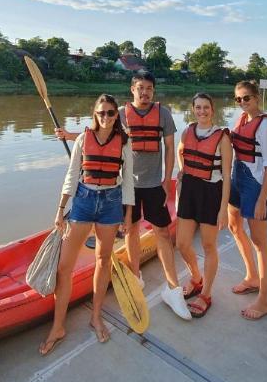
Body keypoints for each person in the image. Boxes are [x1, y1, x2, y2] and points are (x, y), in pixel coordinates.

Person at [56, 70, 191, 320]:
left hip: (153, 184)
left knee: (162, 231)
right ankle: (135, 276)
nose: (145, 92)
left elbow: (170, 147)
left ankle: (173, 289)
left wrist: (166, 180)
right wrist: (69, 136)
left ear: (153, 91)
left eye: (149, 88)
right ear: (132, 89)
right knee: (131, 228)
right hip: (125, 186)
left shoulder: (163, 114)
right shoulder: (118, 113)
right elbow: (99, 133)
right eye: (140, 87)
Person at [38, 94, 134, 356]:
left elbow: (127, 182)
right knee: (64, 267)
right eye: (101, 113)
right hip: (83, 201)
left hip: (111, 203)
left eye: (111, 113)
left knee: (103, 260)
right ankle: (58, 326)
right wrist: (60, 210)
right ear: (95, 114)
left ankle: (96, 316)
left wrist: (127, 216)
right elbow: (71, 175)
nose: (106, 118)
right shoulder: (82, 138)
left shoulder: (124, 141)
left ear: (117, 115)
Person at [227, 80, 267, 321]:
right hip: (237, 175)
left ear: (257, 98)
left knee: (259, 240)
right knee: (234, 226)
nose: (242, 103)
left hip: (255, 182)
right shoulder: (241, 120)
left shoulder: (265, 125)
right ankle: (251, 277)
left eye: (246, 98)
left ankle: (265, 300)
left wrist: (261, 199)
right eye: (238, 99)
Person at [175, 93, 232, 317]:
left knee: (209, 246)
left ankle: (206, 294)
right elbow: (181, 151)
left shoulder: (222, 138)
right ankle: (196, 278)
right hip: (189, 189)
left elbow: (227, 176)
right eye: (198, 107)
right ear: (192, 109)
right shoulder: (187, 131)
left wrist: (223, 209)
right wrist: (182, 171)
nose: (202, 111)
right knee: (181, 243)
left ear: (213, 109)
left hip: (211, 193)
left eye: (206, 107)